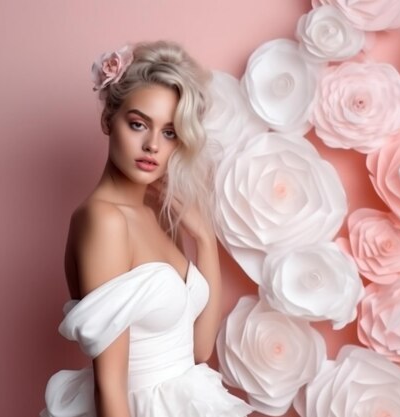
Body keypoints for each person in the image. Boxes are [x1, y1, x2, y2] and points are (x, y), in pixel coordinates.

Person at [40, 40, 252, 417]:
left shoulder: (158, 212)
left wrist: (204, 239)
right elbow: (109, 384)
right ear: (108, 120)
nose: (152, 145)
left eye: (169, 132)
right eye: (138, 124)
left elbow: (200, 349)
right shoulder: (103, 221)